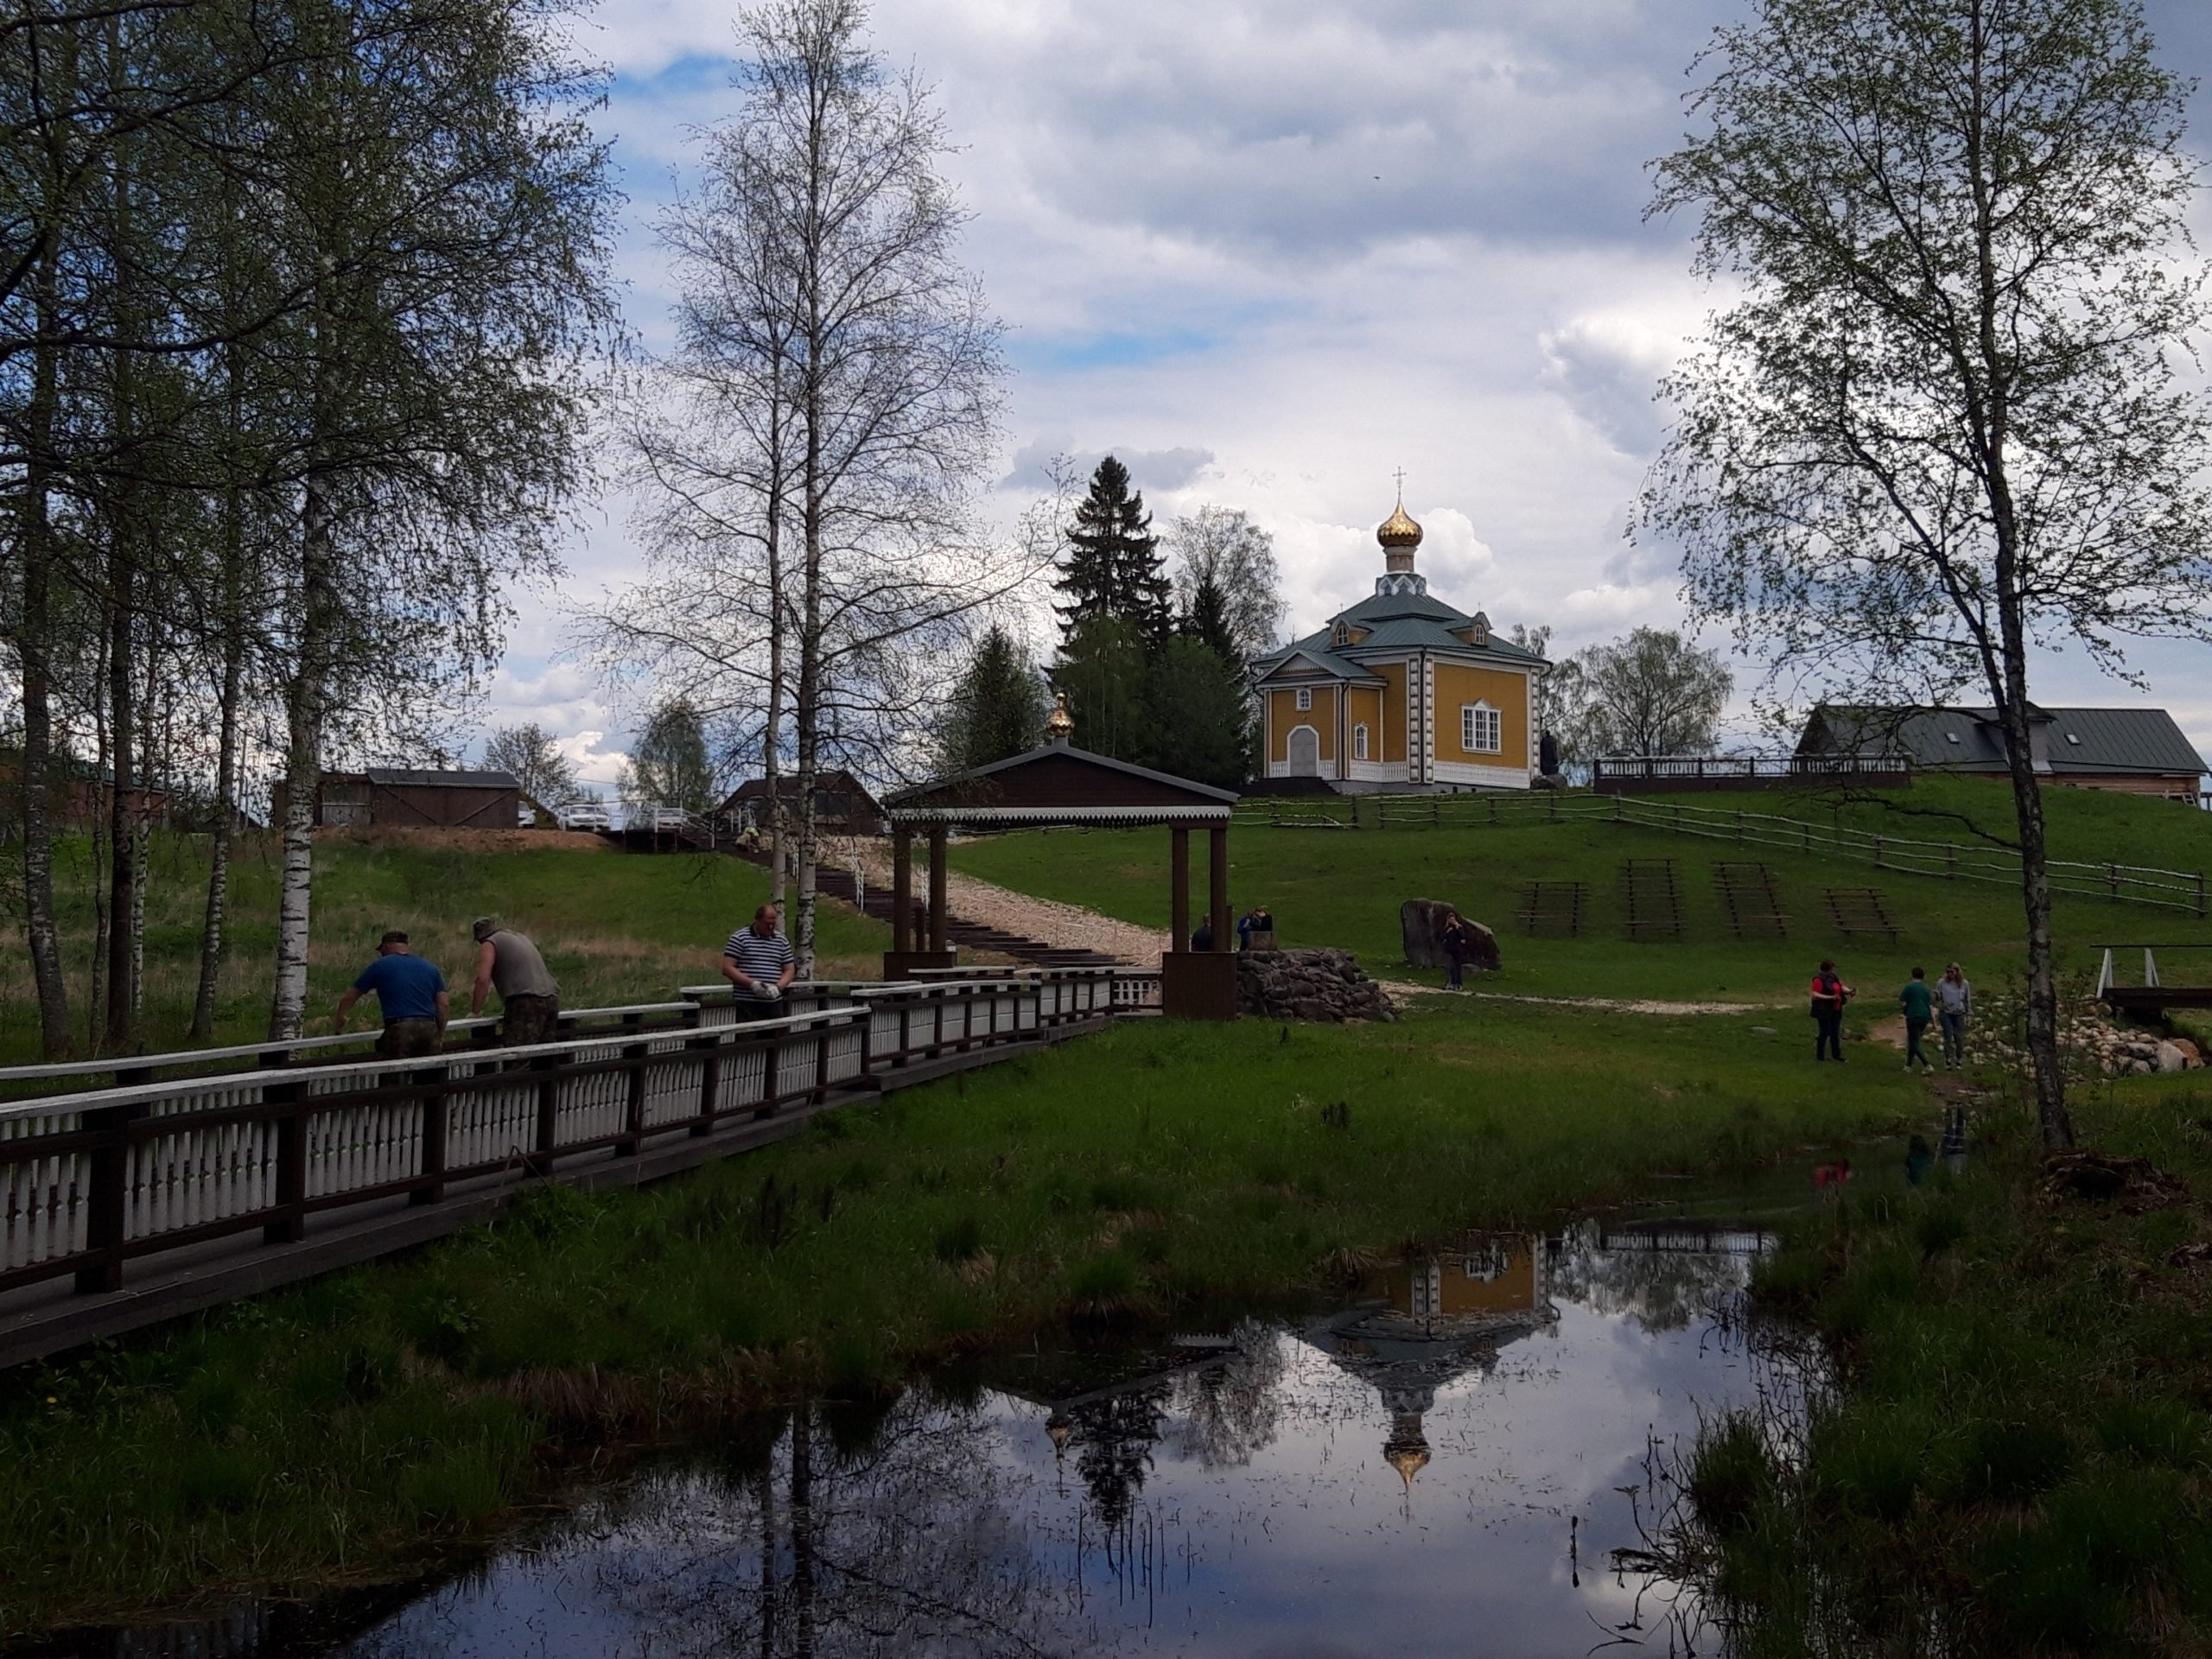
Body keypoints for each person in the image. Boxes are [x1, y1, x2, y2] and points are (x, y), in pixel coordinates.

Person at [335, 931, 449, 1058]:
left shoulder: (380, 966)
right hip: (428, 1027)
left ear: (386, 946)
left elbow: (351, 996)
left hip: (399, 1028)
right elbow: (443, 1005)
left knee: (395, 1069)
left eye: (381, 951)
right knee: (430, 1070)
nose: (381, 954)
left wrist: (340, 1017)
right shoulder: (430, 967)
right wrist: (439, 1033)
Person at [469, 917, 562, 1046]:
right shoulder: (520, 937)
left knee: (517, 1053)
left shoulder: (490, 943)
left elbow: (482, 980)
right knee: (545, 1053)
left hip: (526, 1002)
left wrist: (475, 1012)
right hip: (551, 999)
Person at [722, 902, 797, 1020]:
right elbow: (728, 967)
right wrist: (752, 984)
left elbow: (789, 970)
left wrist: (778, 987)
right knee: (748, 1031)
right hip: (747, 1002)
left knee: (775, 1031)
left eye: (773, 924)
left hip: (773, 1002)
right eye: (767, 924)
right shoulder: (740, 938)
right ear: (757, 920)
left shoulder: (782, 941)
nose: (770, 927)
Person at [1809, 958, 1853, 1062]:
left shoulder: (1833, 977)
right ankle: (1820, 1056)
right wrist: (1830, 997)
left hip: (1836, 1008)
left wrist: (1849, 991)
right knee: (1825, 1032)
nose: (1832, 971)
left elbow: (1841, 987)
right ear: (1826, 970)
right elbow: (1815, 995)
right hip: (1824, 1010)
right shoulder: (1818, 979)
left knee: (1835, 1032)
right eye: (1831, 969)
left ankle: (1837, 1055)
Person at [1898, 966, 1936, 1074]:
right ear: (1923, 976)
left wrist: (1904, 1009)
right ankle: (1908, 1066)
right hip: (1925, 1017)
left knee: (1913, 1042)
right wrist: (1933, 1022)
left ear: (1912, 975)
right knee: (1913, 1040)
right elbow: (1930, 1005)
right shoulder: (1927, 989)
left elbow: (1902, 1000)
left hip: (1913, 1015)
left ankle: (1927, 1064)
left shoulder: (1909, 987)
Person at [1936, 962, 1973, 1070]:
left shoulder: (1964, 983)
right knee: (1948, 1036)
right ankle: (1948, 1059)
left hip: (1959, 1013)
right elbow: (1938, 997)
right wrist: (1937, 997)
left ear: (1957, 972)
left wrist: (1969, 1014)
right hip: (1946, 1012)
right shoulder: (1942, 982)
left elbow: (1967, 999)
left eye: (1952, 972)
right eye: (1947, 972)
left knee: (1959, 1037)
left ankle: (1958, 1058)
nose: (1949, 974)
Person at [1442, 914, 1472, 993]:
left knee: (1458, 967)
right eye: (1451, 920)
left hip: (1458, 950)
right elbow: (1442, 938)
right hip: (1449, 950)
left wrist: (1457, 928)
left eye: (1453, 919)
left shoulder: (1459, 927)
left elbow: (1463, 937)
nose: (1452, 921)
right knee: (1450, 967)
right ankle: (1450, 983)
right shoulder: (1446, 928)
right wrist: (1447, 932)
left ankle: (1458, 984)